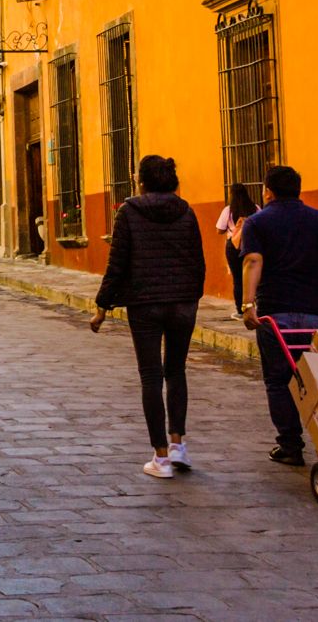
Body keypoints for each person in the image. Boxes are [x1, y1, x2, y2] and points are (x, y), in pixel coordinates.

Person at [90, 154, 206, 479]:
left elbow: (117, 264)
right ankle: (179, 445)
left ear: (141, 180)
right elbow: (198, 262)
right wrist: (190, 296)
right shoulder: (187, 212)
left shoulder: (129, 212)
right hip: (183, 303)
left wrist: (102, 306)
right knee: (177, 371)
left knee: (151, 378)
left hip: (145, 305)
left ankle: (161, 458)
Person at [239, 164, 318, 466]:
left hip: (276, 315)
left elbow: (252, 260)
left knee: (278, 380)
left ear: (267, 191)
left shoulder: (257, 223)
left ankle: (290, 445)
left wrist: (247, 304)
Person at [216, 182, 258, 317]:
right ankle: (256, 305)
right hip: (252, 244)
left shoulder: (228, 210)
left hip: (233, 246)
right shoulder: (255, 208)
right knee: (254, 275)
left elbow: (219, 230)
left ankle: (241, 310)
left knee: (238, 278)